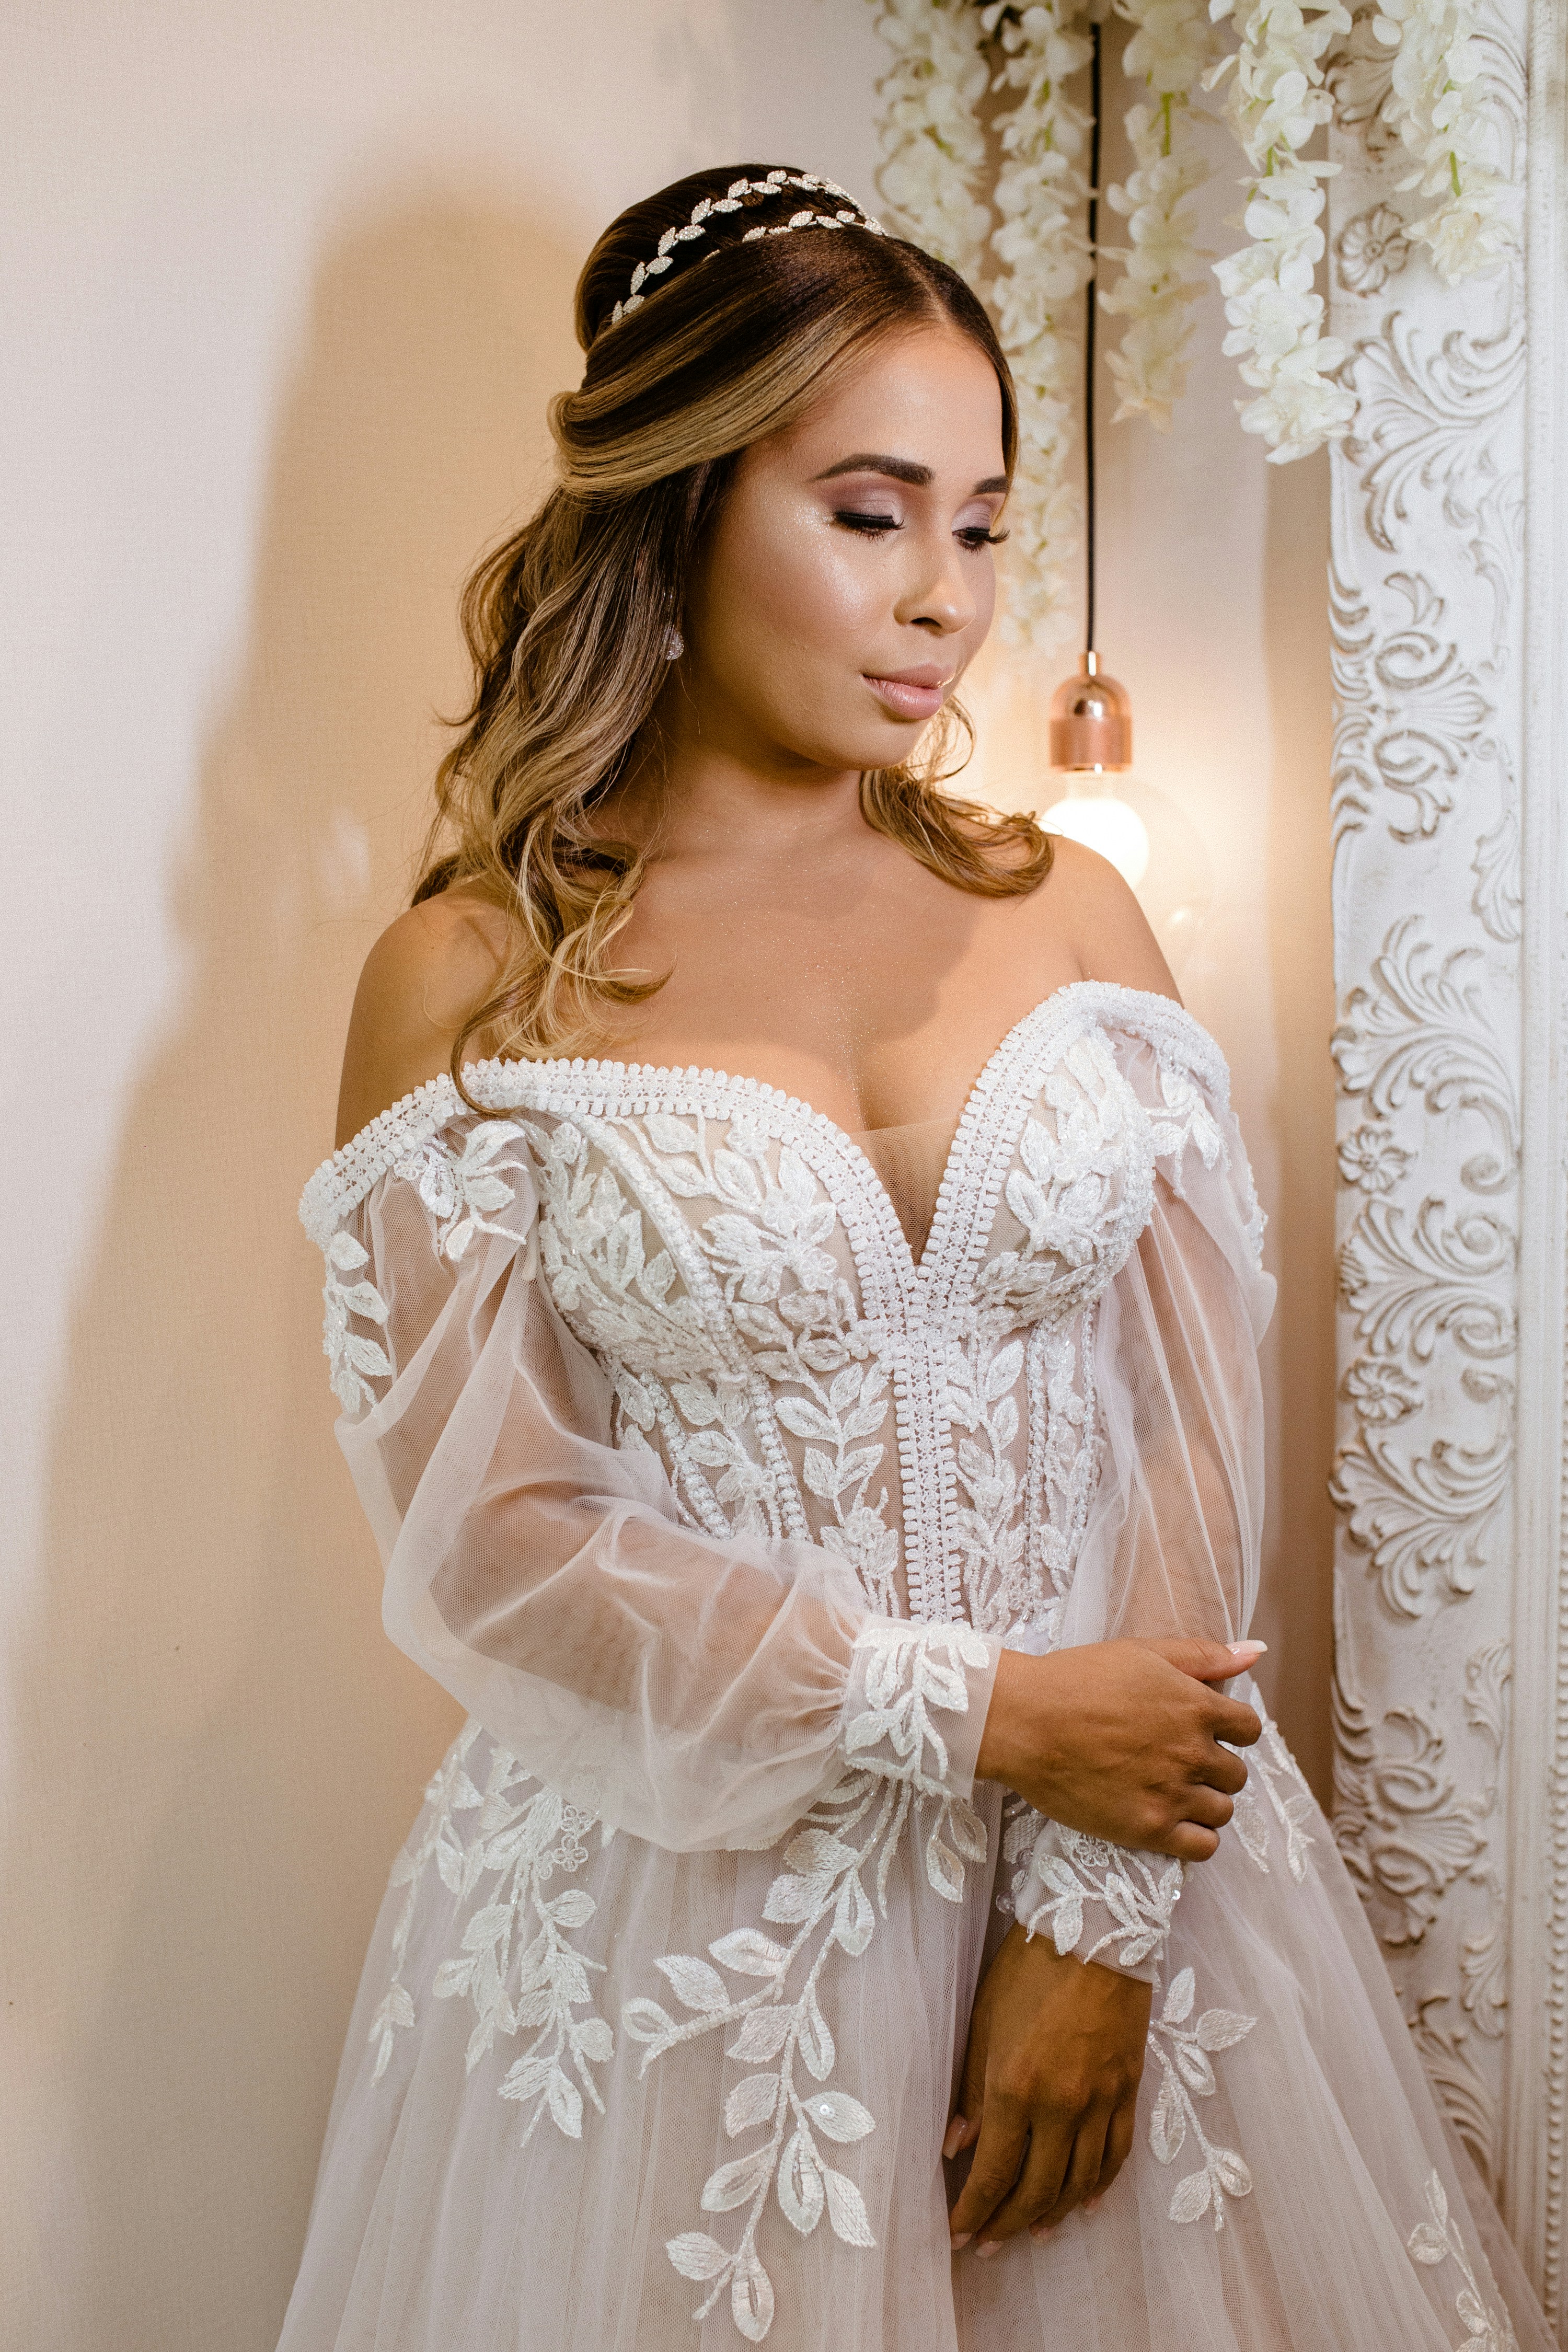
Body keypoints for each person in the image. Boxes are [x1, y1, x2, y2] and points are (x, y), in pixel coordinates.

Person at [279, 165, 1549, 2351]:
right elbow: (492, 1548)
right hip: (671, 1923)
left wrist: (1096, 1919)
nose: (945, 598)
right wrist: (992, 1713)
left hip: (1133, 1866)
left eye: (978, 521)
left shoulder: (1069, 906)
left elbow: (1186, 1433)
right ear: (677, 510)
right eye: (869, 515)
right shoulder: (475, 973)